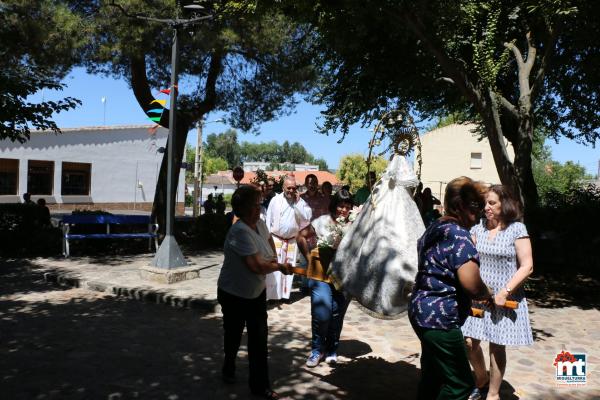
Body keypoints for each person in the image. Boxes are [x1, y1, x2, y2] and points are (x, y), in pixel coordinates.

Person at [408, 176, 493, 400]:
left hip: (421, 311)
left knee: (433, 376)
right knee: (460, 387)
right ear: (458, 206)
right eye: (475, 205)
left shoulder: (436, 227)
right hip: (440, 318)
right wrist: (488, 293)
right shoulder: (459, 235)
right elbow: (472, 285)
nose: (481, 211)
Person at [217, 185, 293, 400]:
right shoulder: (239, 231)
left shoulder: (259, 223)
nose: (260, 206)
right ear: (246, 207)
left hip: (255, 292)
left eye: (260, 202)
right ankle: (228, 366)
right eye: (257, 203)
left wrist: (275, 258)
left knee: (259, 340)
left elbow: (268, 239)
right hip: (234, 293)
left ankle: (260, 386)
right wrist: (278, 267)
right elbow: (257, 266)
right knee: (233, 335)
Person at [461, 185, 534, 400]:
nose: (487, 208)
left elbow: (527, 265)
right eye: (486, 203)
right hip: (479, 297)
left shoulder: (516, 229)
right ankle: (481, 378)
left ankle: (493, 394)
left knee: (496, 345)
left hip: (504, 298)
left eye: (492, 203)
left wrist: (505, 291)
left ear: (505, 204)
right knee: (469, 342)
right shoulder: (478, 228)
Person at [297, 189, 353, 367]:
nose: (343, 210)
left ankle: (331, 349)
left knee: (337, 314)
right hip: (320, 274)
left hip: (342, 276)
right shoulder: (322, 222)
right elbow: (301, 237)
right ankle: (316, 349)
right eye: (340, 206)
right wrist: (309, 258)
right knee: (322, 313)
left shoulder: (353, 226)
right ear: (334, 205)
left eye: (347, 207)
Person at [264, 176, 312, 300]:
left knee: (290, 268)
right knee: (275, 269)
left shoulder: (299, 201)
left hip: (291, 241)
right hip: (276, 239)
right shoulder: (275, 200)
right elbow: (268, 219)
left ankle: (285, 295)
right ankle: (273, 296)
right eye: (288, 188)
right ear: (283, 187)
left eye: (293, 188)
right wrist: (267, 237)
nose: (291, 190)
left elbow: (306, 217)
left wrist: (298, 203)